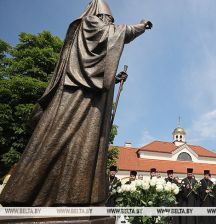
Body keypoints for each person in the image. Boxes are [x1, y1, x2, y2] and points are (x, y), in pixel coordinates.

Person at [0, 0, 152, 207]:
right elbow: (110, 36)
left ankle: (66, 196)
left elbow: (93, 69)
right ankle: (24, 193)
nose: (109, 23)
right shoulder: (89, 23)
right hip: (76, 96)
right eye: (107, 19)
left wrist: (114, 79)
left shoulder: (85, 36)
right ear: (98, 16)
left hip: (85, 94)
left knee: (80, 145)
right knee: (60, 138)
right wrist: (140, 26)